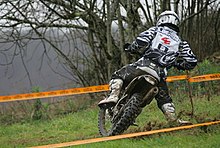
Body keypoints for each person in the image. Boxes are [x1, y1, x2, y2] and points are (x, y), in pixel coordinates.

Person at [98, 10, 197, 124]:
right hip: (159, 75)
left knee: (118, 75)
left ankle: (113, 96)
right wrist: (178, 64)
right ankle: (173, 119)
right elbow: (192, 61)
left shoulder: (155, 30)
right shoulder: (181, 42)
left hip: (143, 66)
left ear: (161, 20)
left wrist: (132, 48)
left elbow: (141, 41)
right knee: (164, 98)